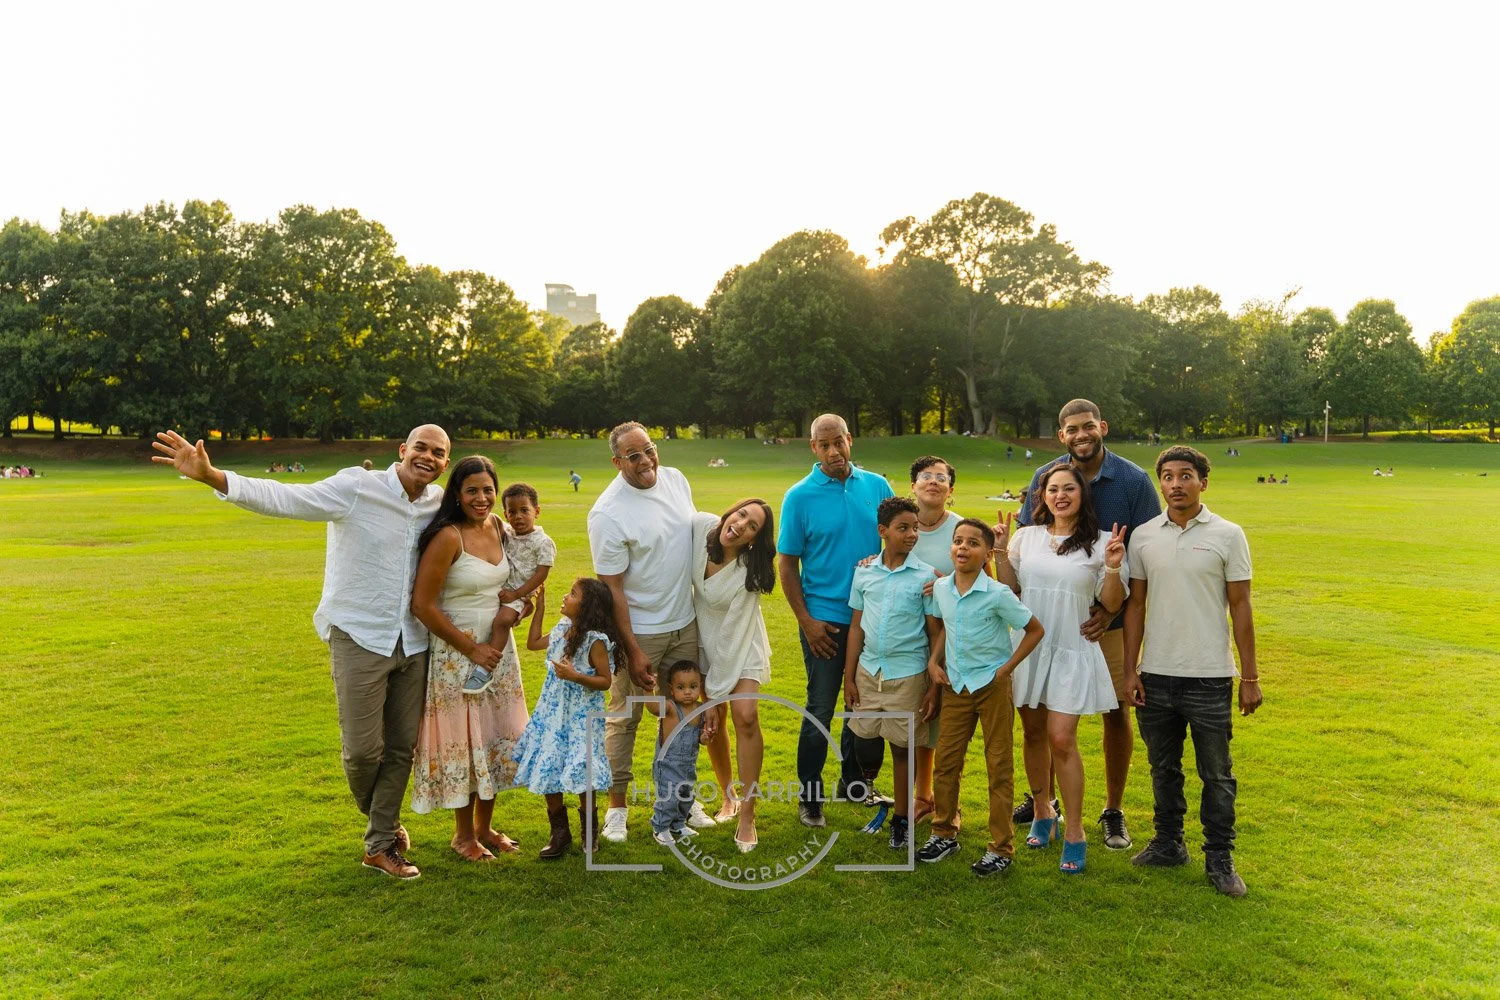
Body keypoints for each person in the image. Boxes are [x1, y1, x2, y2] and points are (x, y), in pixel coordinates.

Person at [150, 424, 451, 880]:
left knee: (402, 749)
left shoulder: (438, 504)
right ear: (403, 450)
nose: (428, 457)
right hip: (358, 634)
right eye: (422, 448)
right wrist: (214, 477)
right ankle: (383, 824)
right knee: (362, 754)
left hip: (414, 640)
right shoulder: (357, 487)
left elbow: (483, 528)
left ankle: (380, 843)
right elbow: (286, 498)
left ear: (446, 462)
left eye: (439, 452)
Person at [1014, 399, 1161, 850]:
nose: (1081, 435)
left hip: (1104, 623)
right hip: (1047, 627)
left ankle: (1112, 809)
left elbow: (1148, 550)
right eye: (1072, 429)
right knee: (1040, 720)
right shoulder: (1048, 476)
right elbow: (1025, 554)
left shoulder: (1133, 481)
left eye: (1088, 427)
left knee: (1116, 711)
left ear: (1102, 427)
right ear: (1062, 436)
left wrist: (1109, 611)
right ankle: (1045, 804)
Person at [1123, 446, 1261, 897]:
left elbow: (1241, 606)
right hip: (1156, 674)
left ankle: (1219, 858)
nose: (1176, 484)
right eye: (1167, 476)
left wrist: (1250, 677)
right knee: (1163, 768)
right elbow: (1136, 605)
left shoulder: (1227, 534)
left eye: (1186, 475)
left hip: (1209, 675)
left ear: (1204, 481)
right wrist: (1130, 670)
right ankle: (1168, 844)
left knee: (1217, 774)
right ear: (1159, 483)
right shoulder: (1144, 536)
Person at [995, 463, 1127, 875]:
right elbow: (1010, 589)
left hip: (1071, 648)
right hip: (1030, 648)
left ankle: (1074, 830)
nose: (1060, 495)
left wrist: (1110, 566)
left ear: (1083, 495)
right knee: (1032, 733)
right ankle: (1041, 811)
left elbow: (1112, 604)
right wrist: (1000, 548)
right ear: (1043, 496)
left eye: (1069, 488)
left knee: (1061, 738)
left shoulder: (1102, 541)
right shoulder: (1026, 537)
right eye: (1053, 489)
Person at [588, 422, 714, 843]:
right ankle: (617, 809)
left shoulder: (676, 480)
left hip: (685, 624)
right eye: (633, 456)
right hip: (640, 633)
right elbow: (613, 590)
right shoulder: (607, 513)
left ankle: (681, 801)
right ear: (616, 462)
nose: (646, 461)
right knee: (625, 718)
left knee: (683, 715)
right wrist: (632, 647)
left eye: (649, 450)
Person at [409, 456, 530, 861]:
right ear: (456, 495)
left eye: (488, 490)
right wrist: (471, 648)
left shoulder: (499, 526)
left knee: (494, 734)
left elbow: (514, 585)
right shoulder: (447, 537)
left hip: (499, 649)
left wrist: (521, 609)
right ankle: (462, 836)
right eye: (472, 491)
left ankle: (484, 828)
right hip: (457, 652)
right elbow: (423, 606)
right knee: (465, 738)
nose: (482, 498)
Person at [777, 413, 894, 827]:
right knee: (821, 708)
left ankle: (852, 783)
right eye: (823, 445)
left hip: (871, 619)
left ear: (850, 441)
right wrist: (807, 622)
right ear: (813, 448)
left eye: (838, 443)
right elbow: (787, 565)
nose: (833, 452)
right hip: (824, 620)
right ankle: (810, 795)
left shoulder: (877, 486)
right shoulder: (799, 496)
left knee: (858, 705)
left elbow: (898, 538)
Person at [917, 519, 1044, 876]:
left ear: (987, 554)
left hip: (991, 687)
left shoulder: (998, 593)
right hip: (955, 687)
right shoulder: (942, 588)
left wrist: (1006, 669)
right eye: (958, 541)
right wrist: (933, 661)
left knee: (998, 767)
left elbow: (1035, 630)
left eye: (972, 543)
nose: (962, 548)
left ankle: (1001, 847)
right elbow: (944, 627)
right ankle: (943, 831)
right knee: (946, 763)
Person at [843, 497, 942, 851]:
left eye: (915, 528)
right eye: (903, 528)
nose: (912, 534)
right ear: (882, 532)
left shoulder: (926, 577)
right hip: (869, 671)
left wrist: (932, 683)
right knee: (865, 739)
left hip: (909, 675)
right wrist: (849, 676)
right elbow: (856, 627)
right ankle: (870, 791)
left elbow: (935, 632)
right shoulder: (864, 572)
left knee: (904, 749)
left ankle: (901, 819)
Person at [511, 578, 624, 859]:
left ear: (586, 607)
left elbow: (605, 681)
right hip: (553, 711)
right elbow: (534, 642)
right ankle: (559, 833)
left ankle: (589, 832)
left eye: (573, 594)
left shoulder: (594, 640)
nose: (566, 596)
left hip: (581, 716)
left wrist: (576, 676)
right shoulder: (563, 628)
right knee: (549, 763)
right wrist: (540, 609)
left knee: (582, 768)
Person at [691, 498, 776, 851]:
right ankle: (729, 798)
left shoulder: (749, 573)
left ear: (754, 540)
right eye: (741, 514)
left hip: (741, 644)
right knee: (716, 720)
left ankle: (747, 814)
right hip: (703, 641)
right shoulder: (699, 530)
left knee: (744, 715)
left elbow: (732, 637)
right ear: (730, 511)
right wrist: (711, 699)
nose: (740, 524)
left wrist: (712, 694)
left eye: (752, 525)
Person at [905, 455, 963, 824]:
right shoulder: (902, 525)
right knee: (921, 719)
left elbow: (982, 580)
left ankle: (949, 804)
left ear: (950, 490)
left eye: (941, 477)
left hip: (951, 637)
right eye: (925, 476)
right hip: (908, 636)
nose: (933, 482)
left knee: (950, 726)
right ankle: (922, 796)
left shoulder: (960, 528)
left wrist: (945, 580)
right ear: (913, 485)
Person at [463, 482, 555, 694]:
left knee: (502, 621)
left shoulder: (543, 542)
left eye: (525, 511)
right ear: (505, 513)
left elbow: (541, 574)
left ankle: (486, 666)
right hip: (501, 587)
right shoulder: (508, 533)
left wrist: (518, 594)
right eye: (512, 512)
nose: (518, 517)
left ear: (537, 511)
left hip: (519, 592)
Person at [646, 660, 710, 846]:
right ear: (671, 689)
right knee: (668, 798)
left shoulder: (700, 710)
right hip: (667, 765)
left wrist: (705, 737)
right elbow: (652, 707)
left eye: (693, 686)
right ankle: (660, 828)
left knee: (685, 796)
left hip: (688, 765)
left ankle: (678, 824)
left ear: (700, 687)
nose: (688, 692)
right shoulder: (670, 708)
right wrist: (648, 689)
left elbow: (700, 739)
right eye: (681, 687)